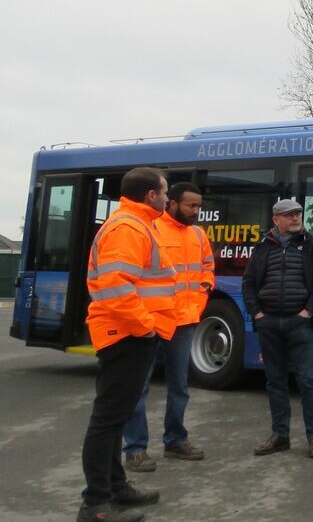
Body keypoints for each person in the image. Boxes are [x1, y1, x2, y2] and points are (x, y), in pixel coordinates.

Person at [78, 168, 178, 522]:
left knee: (116, 417)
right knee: (108, 420)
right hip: (126, 335)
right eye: (165, 192)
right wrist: (146, 327)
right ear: (151, 195)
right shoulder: (128, 228)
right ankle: (96, 504)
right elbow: (115, 288)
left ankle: (115, 488)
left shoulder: (137, 223)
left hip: (130, 334)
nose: (169, 198)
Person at [122, 183, 214, 472]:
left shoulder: (199, 234)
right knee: (139, 387)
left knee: (180, 386)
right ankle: (135, 449)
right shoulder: (151, 229)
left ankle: (175, 440)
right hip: (151, 321)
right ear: (172, 204)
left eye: (199, 206)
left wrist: (205, 291)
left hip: (185, 322)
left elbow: (208, 266)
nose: (197, 211)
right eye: (191, 206)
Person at [242, 199, 313, 459]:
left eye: (298, 214)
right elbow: (248, 282)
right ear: (276, 220)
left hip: (299, 323)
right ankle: (280, 436)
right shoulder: (262, 246)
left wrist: (308, 312)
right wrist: (257, 313)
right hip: (269, 323)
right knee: (275, 381)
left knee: (307, 380)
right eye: (290, 215)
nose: (296, 218)